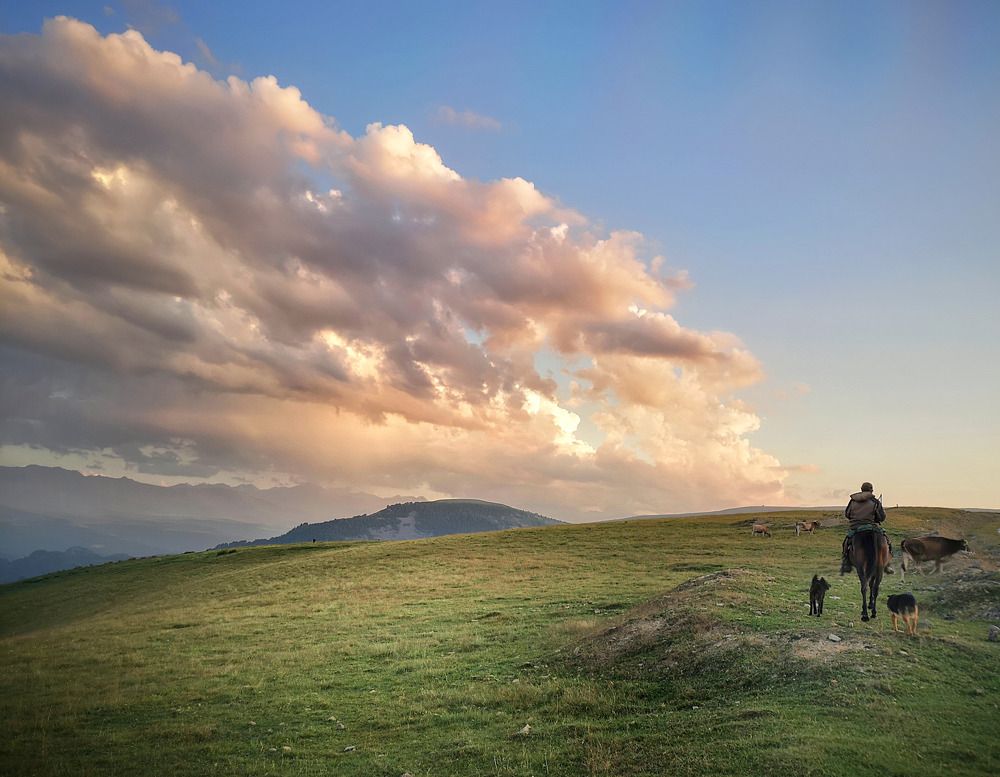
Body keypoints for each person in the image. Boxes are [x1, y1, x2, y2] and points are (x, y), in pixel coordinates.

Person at [840, 482, 893, 574]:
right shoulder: (875, 502)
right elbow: (882, 517)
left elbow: (847, 514)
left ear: (861, 489)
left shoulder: (853, 501)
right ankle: (887, 564)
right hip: (871, 527)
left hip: (856, 527)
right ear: (871, 490)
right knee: (887, 541)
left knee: (846, 542)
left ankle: (846, 562)